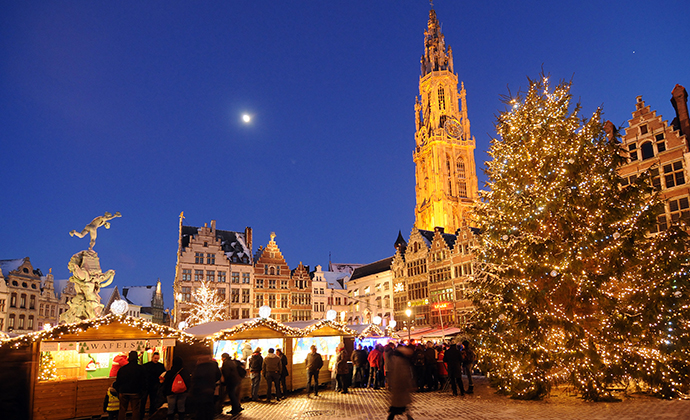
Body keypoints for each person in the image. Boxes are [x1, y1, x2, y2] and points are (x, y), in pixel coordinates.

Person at [387, 345, 415, 420]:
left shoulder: (395, 360)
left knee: (400, 406)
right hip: (401, 387)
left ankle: (408, 417)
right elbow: (404, 374)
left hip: (398, 387)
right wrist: (409, 384)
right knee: (400, 405)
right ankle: (409, 417)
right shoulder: (401, 361)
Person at [191, 354, 221, 420]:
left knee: (201, 408)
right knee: (209, 406)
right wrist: (212, 382)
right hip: (210, 388)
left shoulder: (199, 368)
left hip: (200, 390)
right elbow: (218, 375)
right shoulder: (213, 367)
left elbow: (195, 380)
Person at [116, 351, 145, 420]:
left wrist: (119, 390)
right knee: (135, 410)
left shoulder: (122, 369)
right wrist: (143, 392)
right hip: (135, 392)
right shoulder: (141, 369)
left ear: (129, 358)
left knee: (122, 409)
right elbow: (144, 381)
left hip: (123, 391)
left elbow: (118, 381)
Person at [162, 356, 191, 420]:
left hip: (171, 392)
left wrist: (164, 392)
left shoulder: (170, 372)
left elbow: (166, 383)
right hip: (183, 392)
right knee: (181, 407)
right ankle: (181, 418)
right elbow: (188, 382)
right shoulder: (185, 372)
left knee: (171, 408)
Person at [141, 352, 166, 419]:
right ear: (152, 357)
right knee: (147, 401)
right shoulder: (160, 366)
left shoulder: (146, 366)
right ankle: (149, 414)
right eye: (155, 358)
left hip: (152, 386)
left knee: (152, 401)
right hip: (150, 385)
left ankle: (148, 414)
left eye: (157, 358)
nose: (156, 360)